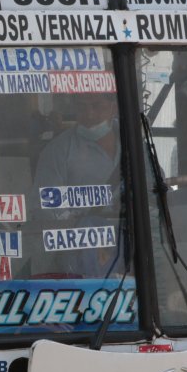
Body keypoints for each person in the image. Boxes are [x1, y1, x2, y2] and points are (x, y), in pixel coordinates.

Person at [33, 92, 123, 278]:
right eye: (82, 107)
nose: (89, 115)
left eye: (97, 106)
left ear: (113, 107)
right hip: (78, 254)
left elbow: (153, 192)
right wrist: (83, 232)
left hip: (131, 242)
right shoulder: (58, 151)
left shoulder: (134, 145)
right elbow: (46, 207)